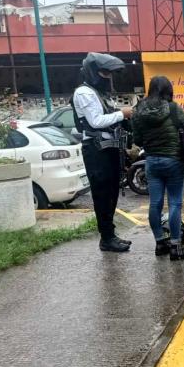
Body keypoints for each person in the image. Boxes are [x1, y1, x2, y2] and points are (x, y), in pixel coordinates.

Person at [72, 52, 133, 253]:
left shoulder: (97, 93)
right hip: (97, 151)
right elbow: (95, 122)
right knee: (102, 194)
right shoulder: (84, 93)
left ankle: (110, 235)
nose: (108, 77)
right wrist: (121, 113)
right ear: (94, 72)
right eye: (105, 73)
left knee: (112, 192)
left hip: (108, 149)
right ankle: (106, 238)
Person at [132, 76, 184, 261]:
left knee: (155, 203)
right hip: (173, 160)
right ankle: (176, 246)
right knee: (175, 203)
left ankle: (160, 243)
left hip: (151, 161)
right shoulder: (173, 108)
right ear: (168, 90)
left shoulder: (138, 110)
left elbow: (137, 140)